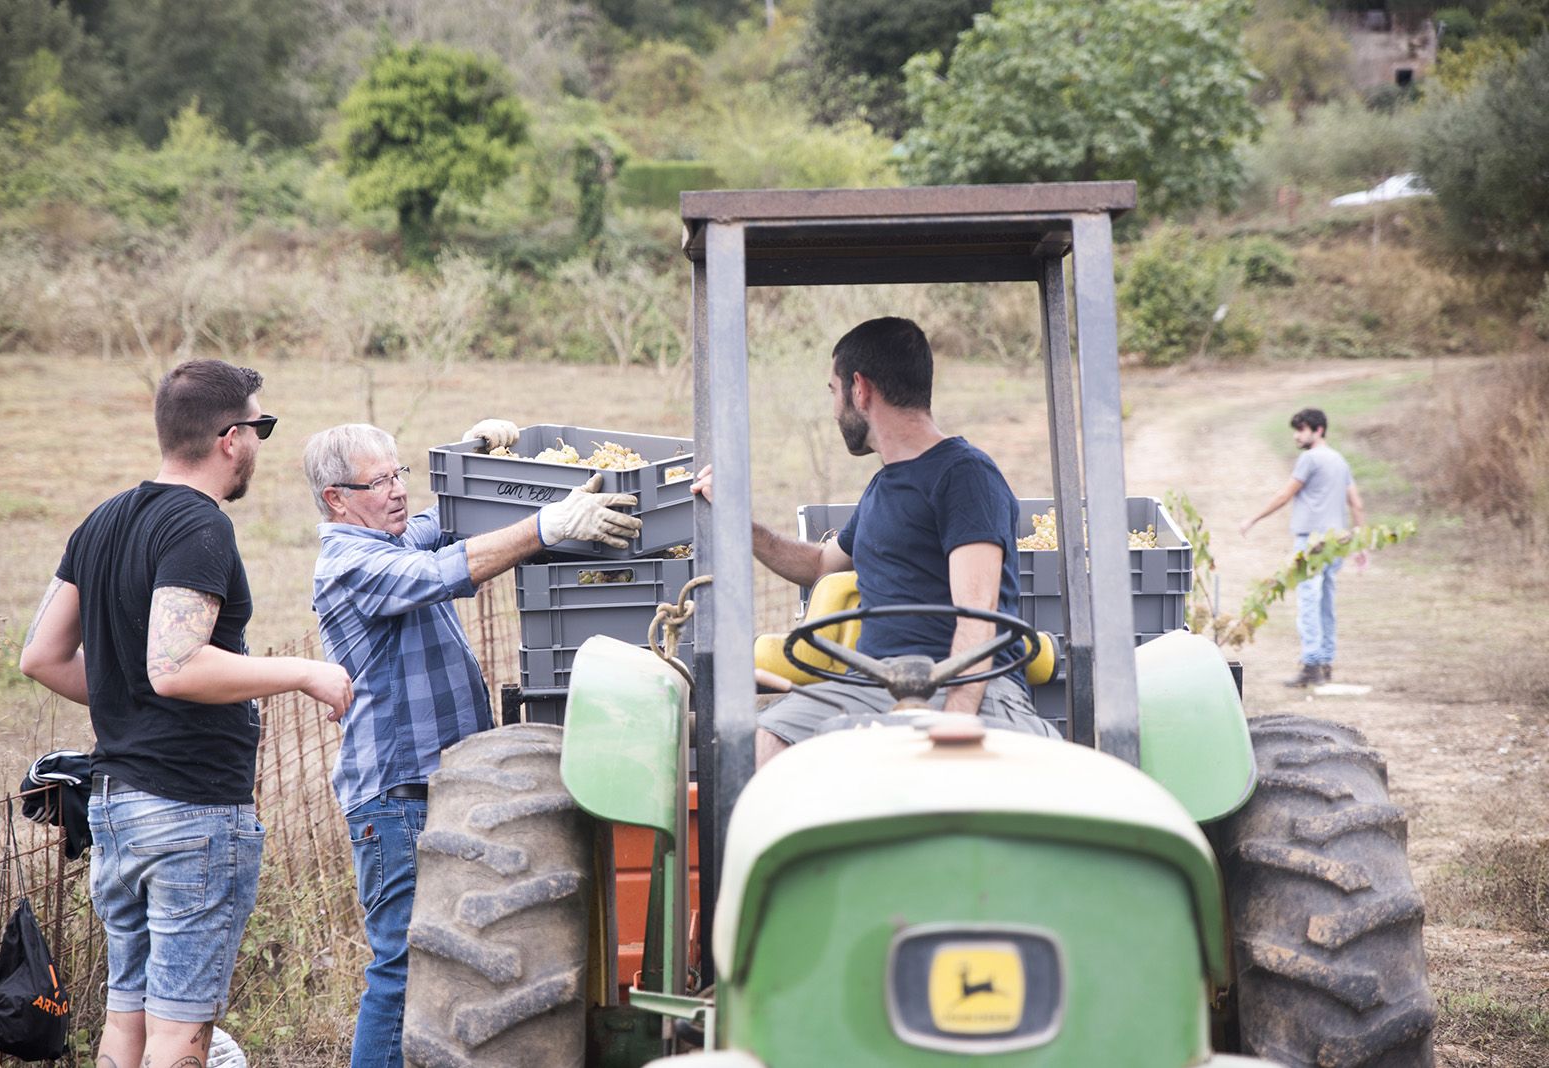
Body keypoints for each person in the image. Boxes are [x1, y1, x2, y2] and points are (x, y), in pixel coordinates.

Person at [19, 359, 354, 1068]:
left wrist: (126, 701)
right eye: (261, 427)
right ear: (231, 437)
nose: (261, 442)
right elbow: (176, 665)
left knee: (128, 1022)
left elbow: (42, 657)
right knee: (178, 1032)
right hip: (191, 812)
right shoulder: (199, 525)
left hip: (116, 808)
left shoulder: (103, 520)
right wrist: (306, 672)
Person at [303, 419, 641, 1068]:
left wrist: (473, 450)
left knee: (442, 964)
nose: (398, 491)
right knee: (402, 969)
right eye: (378, 483)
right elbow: (444, 569)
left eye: (398, 474)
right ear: (336, 500)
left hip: (439, 789)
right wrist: (546, 528)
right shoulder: (349, 564)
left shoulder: (393, 540)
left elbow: (448, 523)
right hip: (396, 799)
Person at [691, 316, 1057, 765]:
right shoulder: (882, 487)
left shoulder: (965, 477)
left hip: (965, 686)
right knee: (760, 748)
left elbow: (976, 621)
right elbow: (821, 565)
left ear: (859, 389)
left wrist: (953, 727)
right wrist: (741, 525)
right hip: (871, 685)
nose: (833, 409)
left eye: (833, 391)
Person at [1240, 407, 1368, 687]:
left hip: (1311, 540)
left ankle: (1311, 665)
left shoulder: (1309, 459)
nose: (1297, 436)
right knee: (1326, 602)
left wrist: (1253, 519)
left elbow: (1285, 494)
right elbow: (1356, 503)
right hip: (1337, 541)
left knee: (1308, 602)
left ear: (1318, 430)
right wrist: (1360, 543)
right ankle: (1325, 661)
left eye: (1301, 429)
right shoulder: (1339, 460)